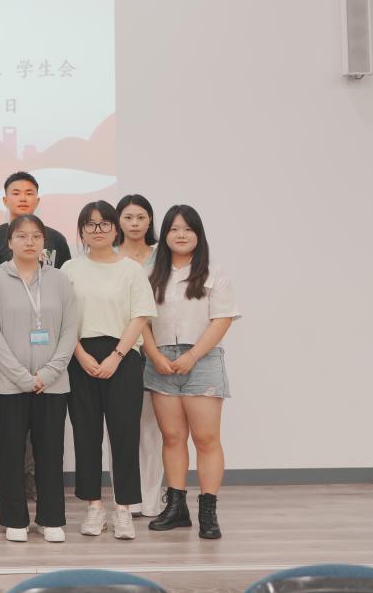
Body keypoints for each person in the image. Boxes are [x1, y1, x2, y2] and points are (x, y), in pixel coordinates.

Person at [0, 172, 71, 501]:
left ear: (38, 200)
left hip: (47, 355)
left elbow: (63, 294)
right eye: (16, 192)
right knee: (5, 421)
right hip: (3, 352)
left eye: (29, 193)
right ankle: (9, 482)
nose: (23, 198)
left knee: (44, 426)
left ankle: (35, 481)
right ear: (5, 199)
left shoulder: (55, 240)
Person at [0, 214, 78, 543]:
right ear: (10, 242)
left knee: (50, 453)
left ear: (44, 243)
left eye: (36, 236)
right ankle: (14, 519)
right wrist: (22, 377)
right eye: (22, 236)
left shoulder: (60, 280)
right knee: (10, 453)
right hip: (9, 383)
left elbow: (70, 329)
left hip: (53, 383)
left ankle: (51, 519)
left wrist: (49, 373)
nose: (29, 242)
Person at [142, 205, 238, 540]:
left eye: (187, 229)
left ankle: (208, 512)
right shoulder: (150, 274)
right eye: (173, 229)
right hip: (160, 361)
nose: (180, 235)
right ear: (164, 234)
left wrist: (193, 355)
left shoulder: (214, 273)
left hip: (203, 360)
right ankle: (176, 508)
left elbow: (222, 320)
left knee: (206, 439)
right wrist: (154, 355)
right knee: (172, 437)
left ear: (198, 234)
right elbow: (140, 320)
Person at [63, 200, 156, 541]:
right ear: (82, 231)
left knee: (125, 436)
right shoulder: (69, 269)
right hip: (80, 358)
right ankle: (94, 508)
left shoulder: (131, 269)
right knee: (86, 435)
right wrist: (80, 354)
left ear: (115, 229)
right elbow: (63, 319)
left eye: (104, 224)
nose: (98, 230)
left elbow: (140, 316)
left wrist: (117, 356)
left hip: (123, 357)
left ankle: (124, 509)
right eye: (90, 224)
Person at [115, 193, 165, 517]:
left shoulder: (163, 256)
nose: (134, 224)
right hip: (122, 349)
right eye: (128, 217)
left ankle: (151, 497)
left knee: (153, 430)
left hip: (160, 350)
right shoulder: (108, 255)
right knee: (121, 430)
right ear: (118, 221)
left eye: (141, 217)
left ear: (150, 221)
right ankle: (127, 498)